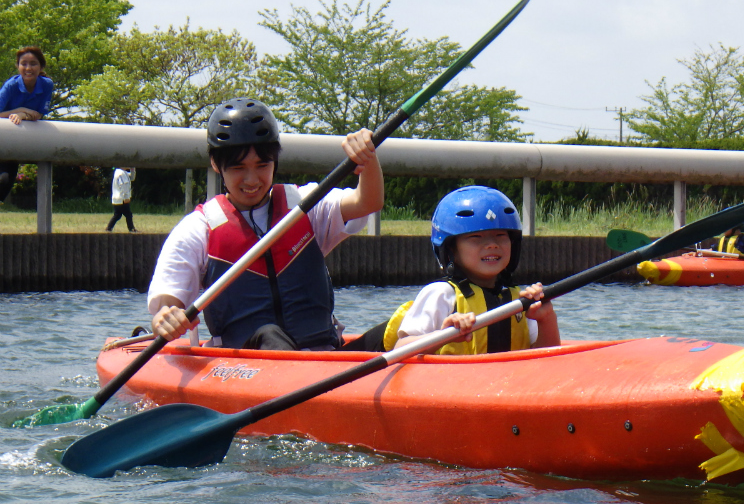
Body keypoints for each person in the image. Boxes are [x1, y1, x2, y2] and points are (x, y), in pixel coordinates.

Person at [148, 98, 383, 351]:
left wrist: (367, 158)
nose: (252, 179)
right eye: (238, 167)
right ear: (216, 164)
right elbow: (167, 301)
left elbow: (367, 202)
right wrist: (166, 316)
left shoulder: (305, 205)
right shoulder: (197, 229)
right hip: (248, 365)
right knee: (270, 334)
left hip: (324, 358)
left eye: (262, 165)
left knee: (401, 323)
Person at [352, 186, 560, 355]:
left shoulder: (518, 300)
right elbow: (401, 348)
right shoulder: (441, 294)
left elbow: (546, 357)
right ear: (451, 250)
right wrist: (444, 334)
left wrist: (545, 318)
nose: (491, 245)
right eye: (475, 238)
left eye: (500, 236)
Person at [0, 46, 53, 203]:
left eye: (33, 63)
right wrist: (20, 110)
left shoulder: (47, 85)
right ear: (17, 66)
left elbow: (39, 115)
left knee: (4, 181)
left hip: (16, 142)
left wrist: (23, 115)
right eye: (24, 63)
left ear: (41, 67)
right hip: (3, 135)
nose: (28, 68)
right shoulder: (11, 86)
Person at [105, 167, 137, 232]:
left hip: (117, 199)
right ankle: (131, 228)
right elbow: (123, 185)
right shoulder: (121, 173)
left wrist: (132, 169)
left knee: (117, 215)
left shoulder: (121, 172)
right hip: (121, 198)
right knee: (128, 214)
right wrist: (126, 197)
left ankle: (109, 228)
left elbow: (132, 178)